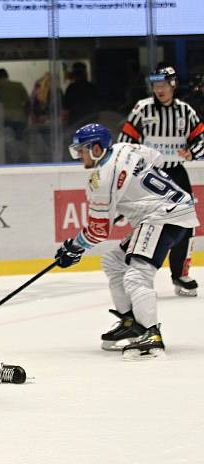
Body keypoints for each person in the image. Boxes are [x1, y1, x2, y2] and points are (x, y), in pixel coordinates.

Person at [57, 124, 199, 360]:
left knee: (137, 274)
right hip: (176, 209)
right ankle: (130, 321)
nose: (79, 156)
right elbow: (157, 159)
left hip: (161, 216)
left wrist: (74, 248)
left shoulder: (101, 179)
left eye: (81, 150)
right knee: (113, 261)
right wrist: (134, 196)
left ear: (96, 148)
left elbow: (98, 230)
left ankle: (150, 333)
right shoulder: (125, 148)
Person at [117, 65, 204, 296]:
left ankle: (181, 275)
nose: (159, 89)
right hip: (147, 175)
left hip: (176, 174)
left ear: (173, 84)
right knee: (145, 225)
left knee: (186, 225)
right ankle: (134, 275)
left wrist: (193, 152)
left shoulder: (186, 111)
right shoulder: (142, 109)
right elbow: (125, 142)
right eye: (155, 85)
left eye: (163, 84)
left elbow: (201, 139)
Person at [0, 68, 30, 163]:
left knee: (6, 142)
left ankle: (9, 161)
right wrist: (27, 115)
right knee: (19, 140)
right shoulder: (18, 85)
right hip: (19, 117)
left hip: (4, 117)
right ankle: (22, 161)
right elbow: (28, 102)